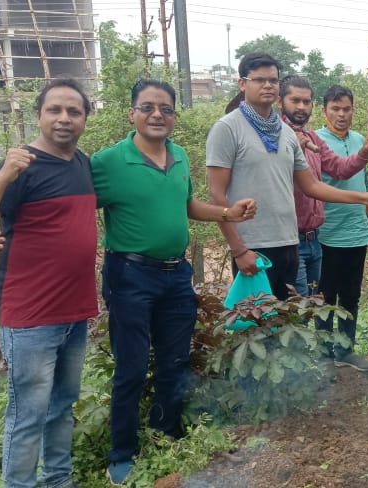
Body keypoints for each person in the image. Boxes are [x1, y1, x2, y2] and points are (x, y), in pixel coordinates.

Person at [95, 80, 256, 484]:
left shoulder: (179, 156)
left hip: (175, 274)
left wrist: (228, 214)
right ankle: (122, 453)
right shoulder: (108, 161)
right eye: (147, 107)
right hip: (130, 275)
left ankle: (166, 434)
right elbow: (69, 204)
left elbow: (187, 206)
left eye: (165, 109)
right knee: (131, 367)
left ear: (174, 117)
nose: (156, 115)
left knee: (175, 361)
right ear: (131, 113)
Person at [0, 78, 98, 488]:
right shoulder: (20, 165)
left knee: (62, 406)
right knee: (28, 415)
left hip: (75, 310)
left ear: (84, 119)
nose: (63, 118)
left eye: (73, 111)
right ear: (39, 115)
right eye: (54, 110)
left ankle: (58, 480)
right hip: (30, 315)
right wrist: (4, 174)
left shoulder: (83, 163)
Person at [207, 53, 368, 301]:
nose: (268, 86)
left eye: (273, 80)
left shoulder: (288, 134)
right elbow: (217, 195)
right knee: (256, 329)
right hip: (253, 248)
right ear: (242, 84)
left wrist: (363, 197)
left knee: (296, 326)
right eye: (259, 80)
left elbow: (312, 186)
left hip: (290, 244)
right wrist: (238, 250)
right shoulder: (227, 128)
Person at [277, 75, 368, 300]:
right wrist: (287, 151)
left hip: (314, 241)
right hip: (289, 240)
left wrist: (363, 154)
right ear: (280, 102)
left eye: (306, 101)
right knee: (297, 309)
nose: (301, 107)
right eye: (295, 100)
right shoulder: (275, 136)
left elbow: (339, 168)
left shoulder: (311, 138)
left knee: (314, 305)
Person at [315, 84, 368, 372]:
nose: (341, 114)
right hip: (326, 233)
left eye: (346, 109)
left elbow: (364, 184)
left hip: (356, 232)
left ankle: (346, 349)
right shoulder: (315, 141)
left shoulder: (360, 140)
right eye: (335, 109)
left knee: (351, 295)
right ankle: (325, 353)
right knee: (325, 296)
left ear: (353, 110)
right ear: (324, 111)